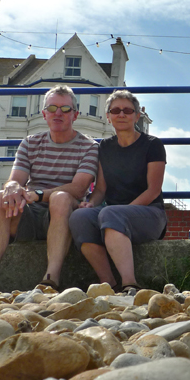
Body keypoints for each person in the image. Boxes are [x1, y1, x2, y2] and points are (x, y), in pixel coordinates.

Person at [0, 86, 99, 294]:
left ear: (75, 115)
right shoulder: (30, 143)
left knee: (61, 198)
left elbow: (78, 189)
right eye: (52, 108)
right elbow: (15, 180)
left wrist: (39, 194)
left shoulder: (89, 147)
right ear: (44, 114)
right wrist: (12, 187)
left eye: (65, 109)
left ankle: (51, 279)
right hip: (30, 210)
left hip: (65, 212)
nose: (58, 113)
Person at [69, 90, 166, 295]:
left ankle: (130, 285)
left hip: (149, 214)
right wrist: (91, 203)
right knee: (79, 217)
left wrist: (122, 213)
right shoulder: (104, 147)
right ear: (108, 116)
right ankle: (109, 284)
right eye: (115, 110)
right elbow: (101, 190)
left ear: (137, 116)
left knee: (110, 213)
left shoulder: (153, 145)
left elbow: (153, 190)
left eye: (128, 110)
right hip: (111, 215)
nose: (121, 114)